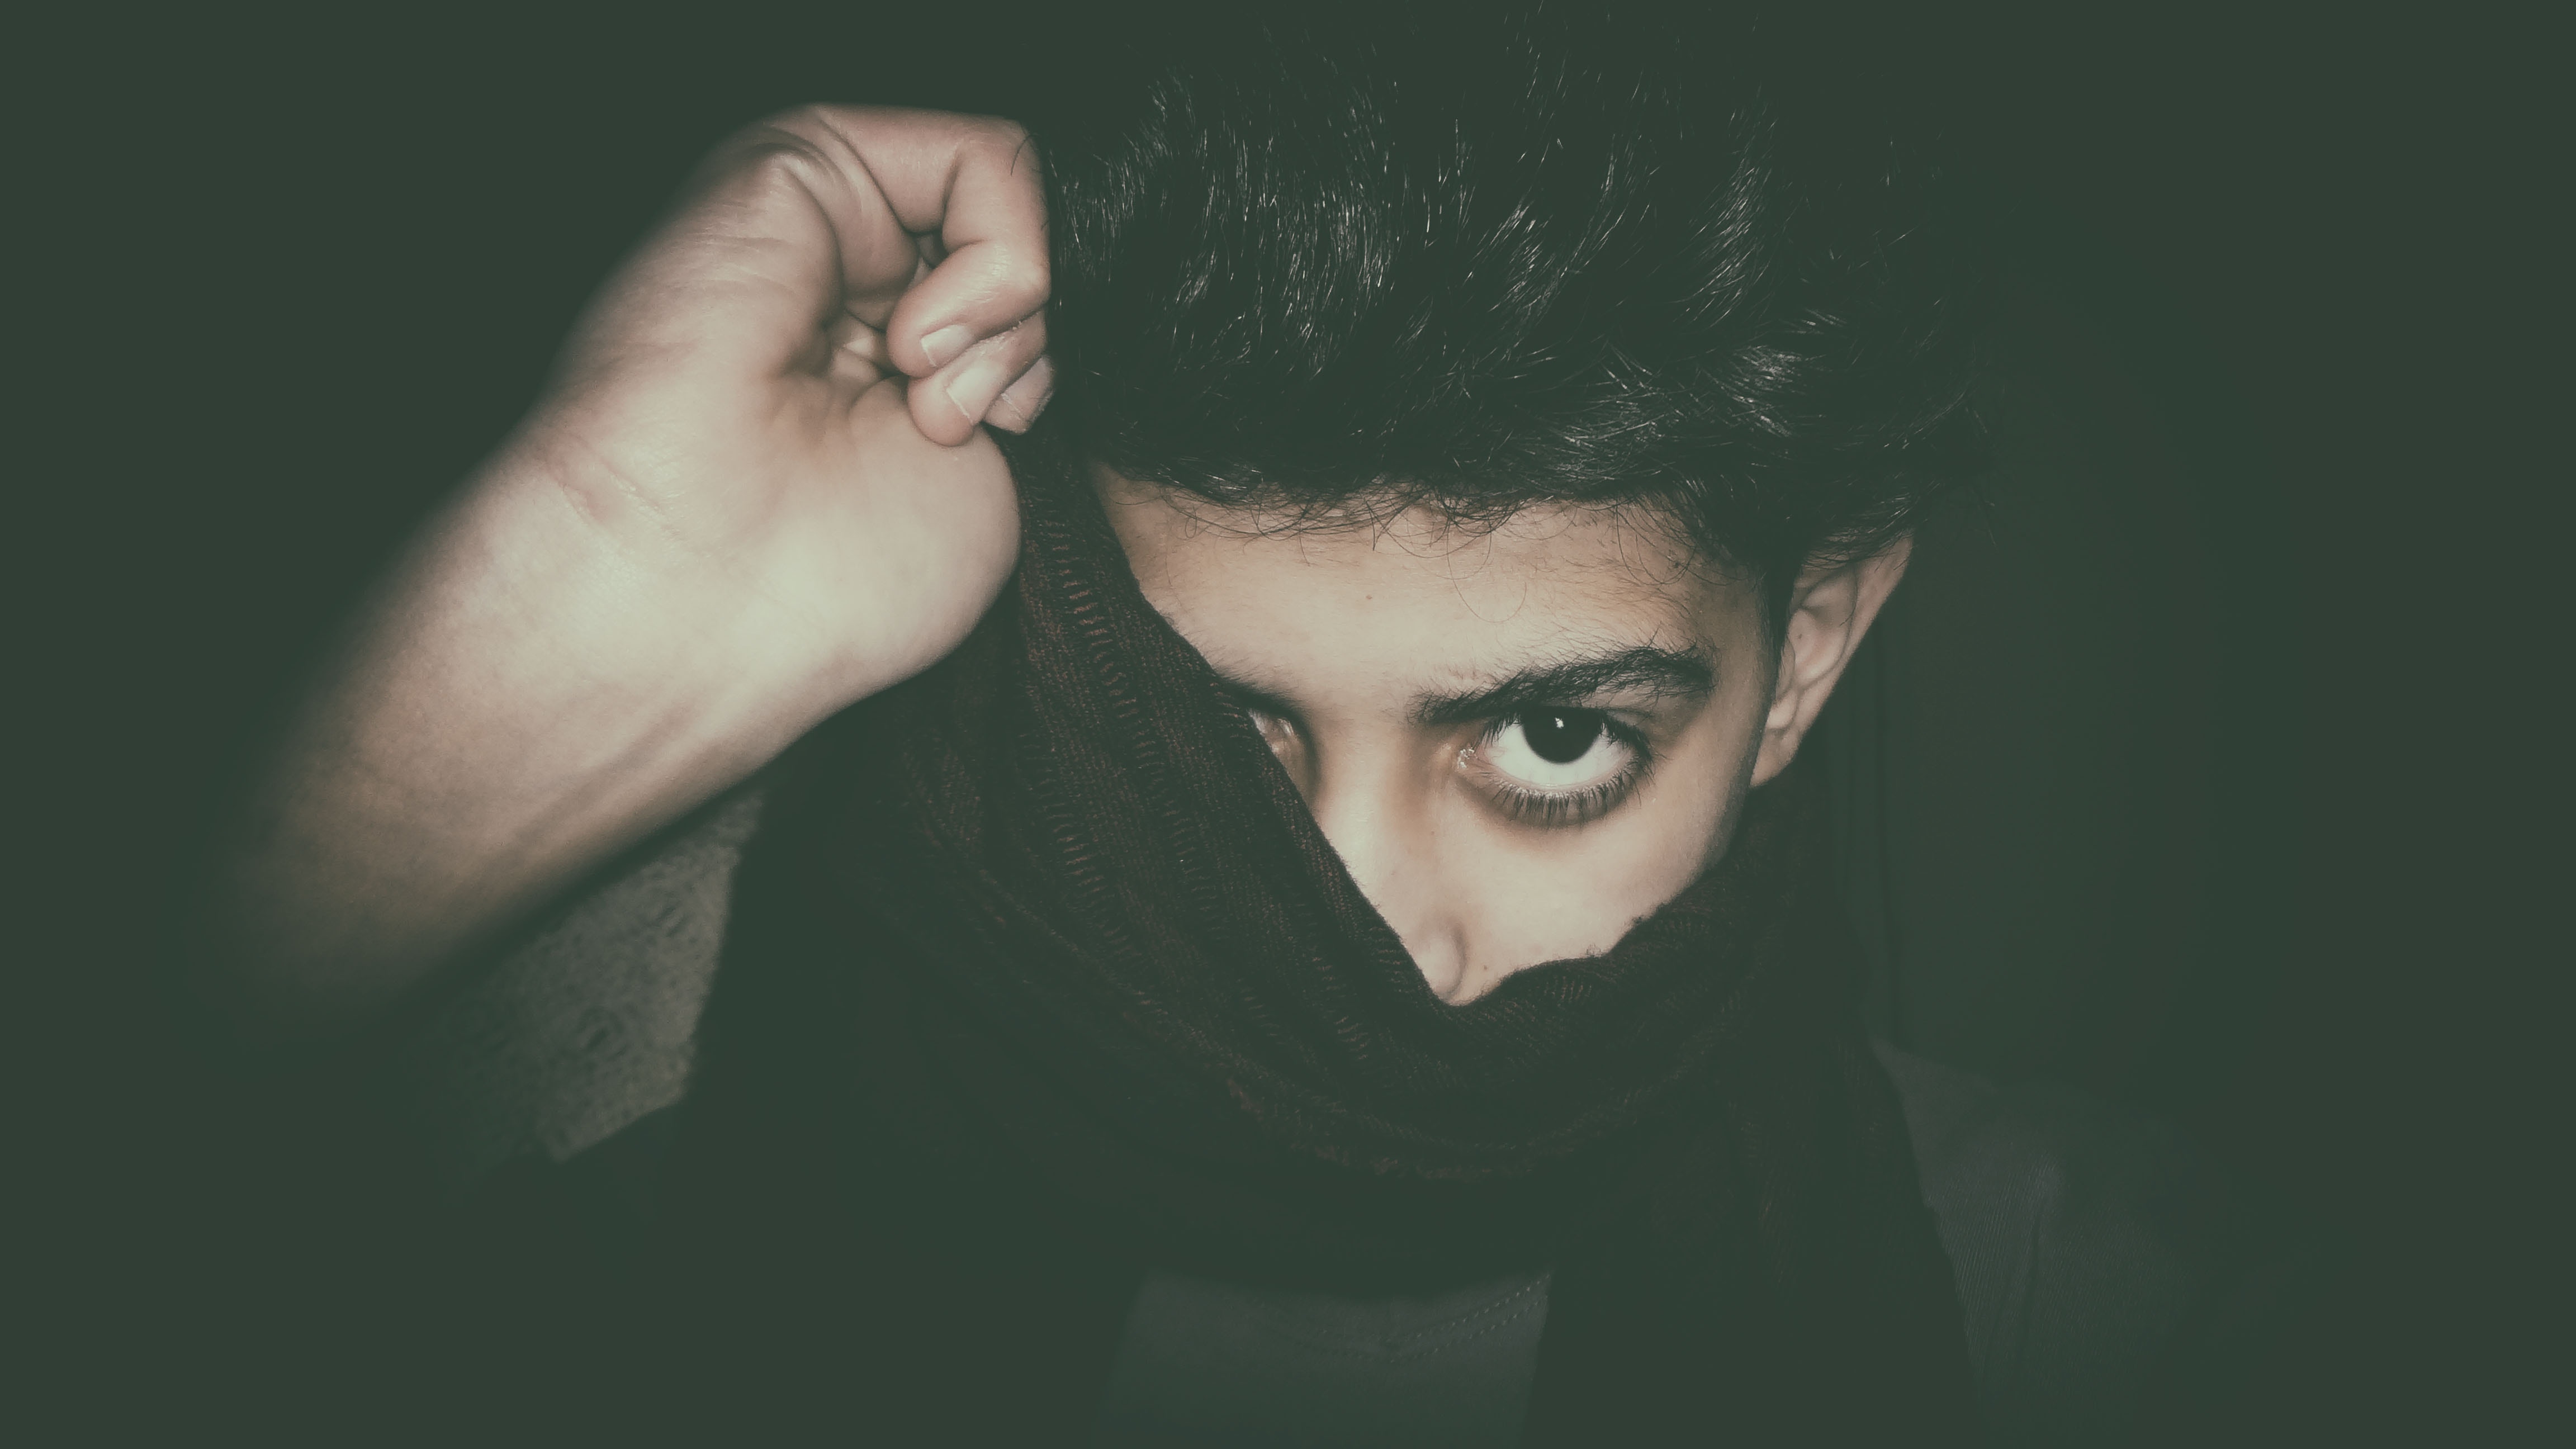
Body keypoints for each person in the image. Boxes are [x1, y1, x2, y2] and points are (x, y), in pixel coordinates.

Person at [194, 12, 2287, 1444]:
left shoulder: (2096, 1308)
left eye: (1555, 742)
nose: (1363, 933)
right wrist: (594, 569)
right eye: (1210, 738)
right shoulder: (666, 1268)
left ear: (1807, 656)